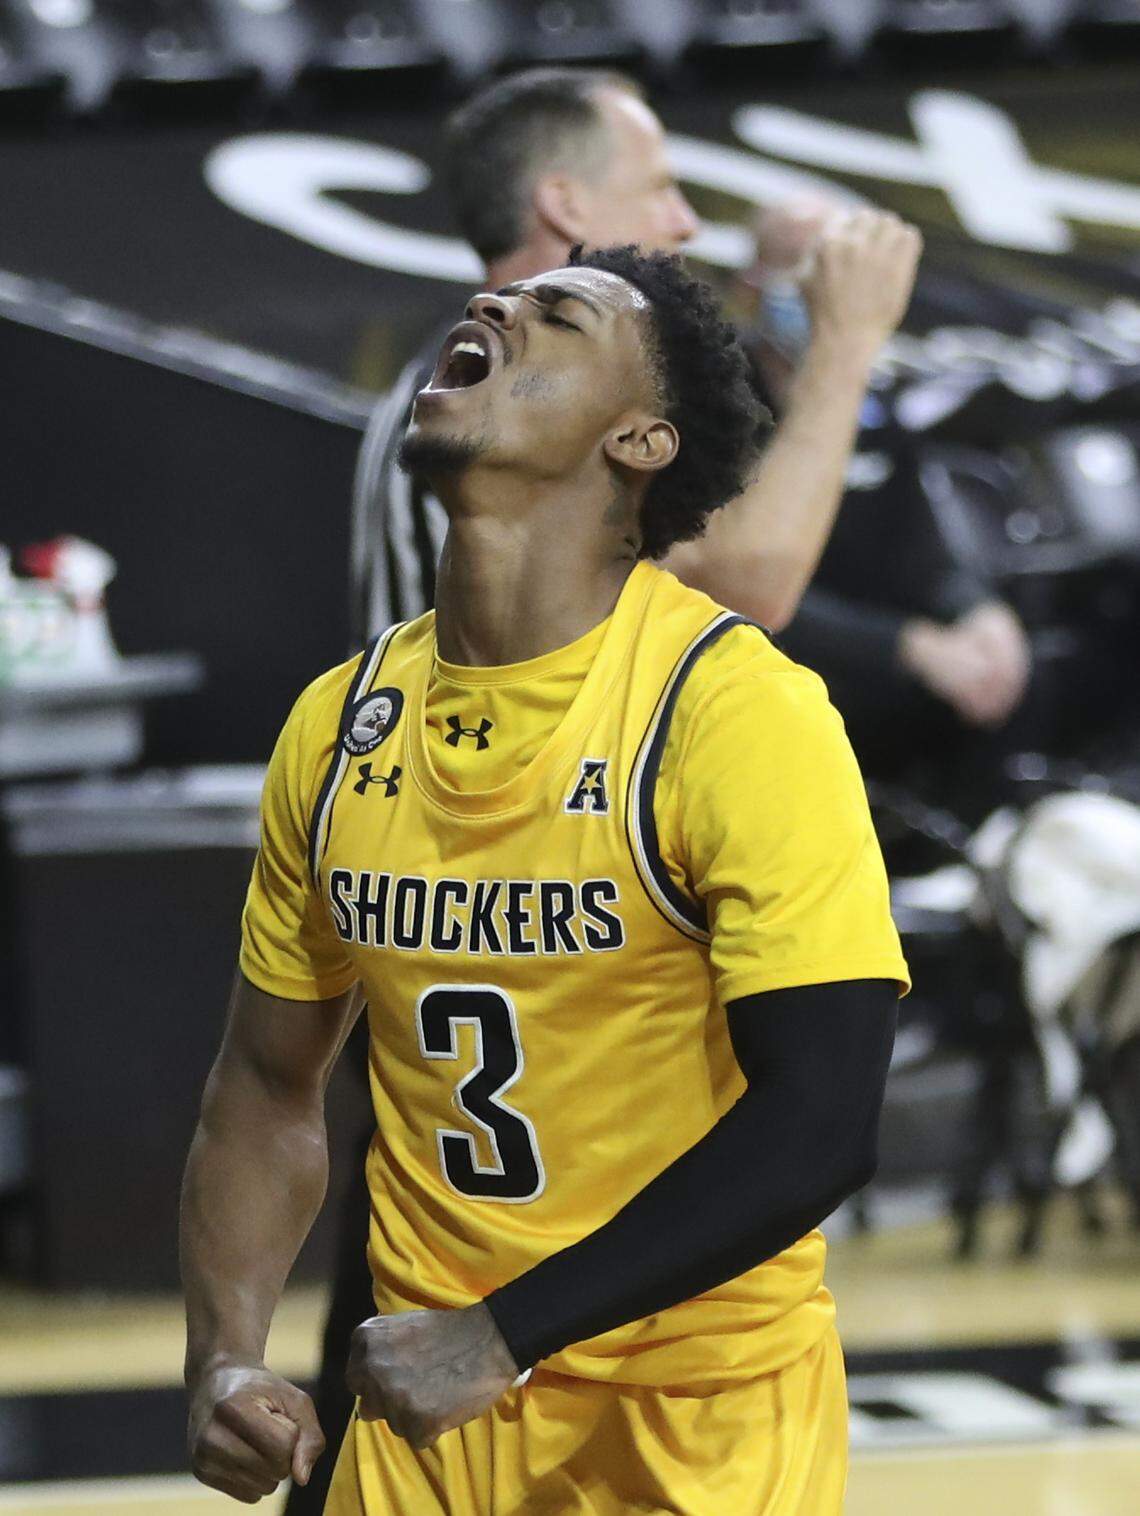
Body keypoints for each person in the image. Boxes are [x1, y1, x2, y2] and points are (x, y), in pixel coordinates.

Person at [182, 246, 909, 1514]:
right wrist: (224, 1352)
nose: (490, 309)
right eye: (496, 302)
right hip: (433, 1419)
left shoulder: (734, 713)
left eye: (554, 316)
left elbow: (825, 1119)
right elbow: (265, 1077)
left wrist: (509, 1330)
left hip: (695, 1416)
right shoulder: (343, 720)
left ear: (640, 441)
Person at [352, 66, 922, 638]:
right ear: (566, 205)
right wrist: (844, 343)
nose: (685, 223)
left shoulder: (481, 364)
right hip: (476, 728)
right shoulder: (504, 385)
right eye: (658, 188)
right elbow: (741, 588)